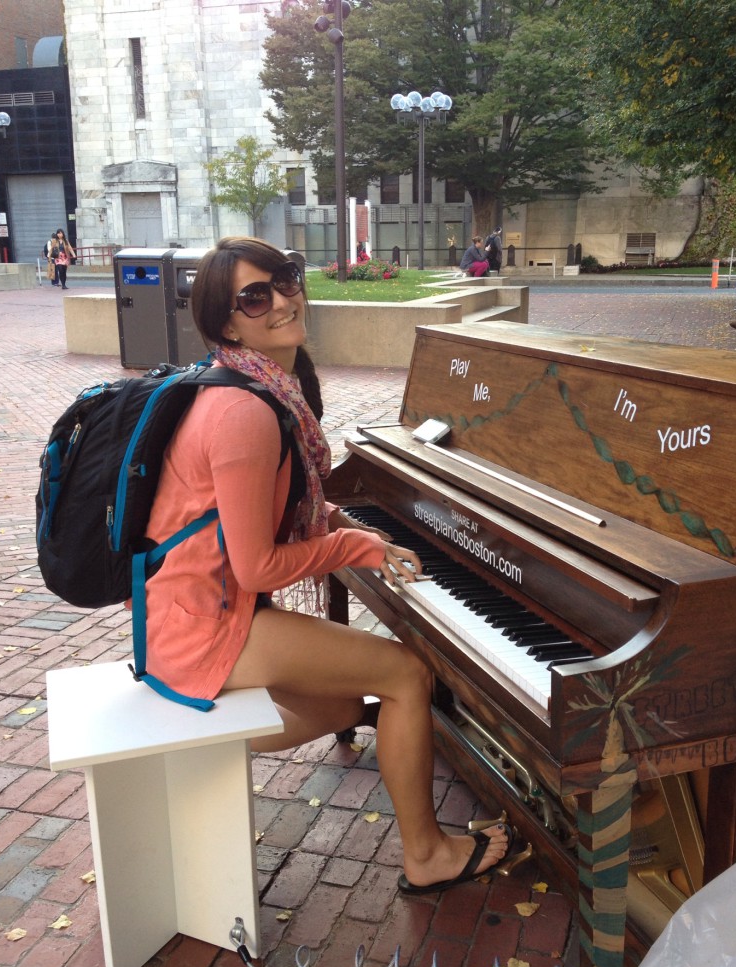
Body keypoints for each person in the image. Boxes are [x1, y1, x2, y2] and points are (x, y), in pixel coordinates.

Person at [142, 236, 510, 893]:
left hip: (199, 610)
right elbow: (256, 565)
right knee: (403, 673)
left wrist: (345, 524)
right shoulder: (243, 412)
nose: (282, 299)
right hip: (204, 626)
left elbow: (269, 516)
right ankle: (426, 855)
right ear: (228, 322)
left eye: (285, 279)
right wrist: (354, 544)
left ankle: (213, 742)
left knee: (345, 705)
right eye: (256, 296)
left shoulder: (259, 388)